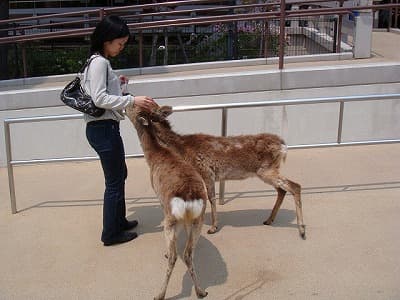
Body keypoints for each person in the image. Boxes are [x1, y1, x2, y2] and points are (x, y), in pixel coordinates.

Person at [83, 15, 156, 246]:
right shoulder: (100, 63)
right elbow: (99, 98)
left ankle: (119, 221)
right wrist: (133, 100)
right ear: (107, 39)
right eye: (119, 43)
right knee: (114, 181)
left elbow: (105, 93)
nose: (121, 48)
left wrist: (119, 84)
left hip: (103, 128)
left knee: (119, 175)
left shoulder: (96, 61)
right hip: (103, 129)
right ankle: (111, 233)